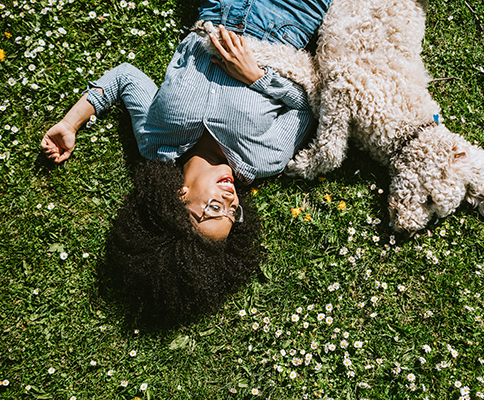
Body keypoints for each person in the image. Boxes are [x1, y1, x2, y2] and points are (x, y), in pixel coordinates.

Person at [41, 0, 332, 324]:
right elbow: (307, 107)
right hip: (289, 17)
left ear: (178, 200)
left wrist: (70, 124)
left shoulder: (155, 141)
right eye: (233, 213)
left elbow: (125, 79)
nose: (230, 200)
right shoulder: (264, 160)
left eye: (213, 210)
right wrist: (256, 77)